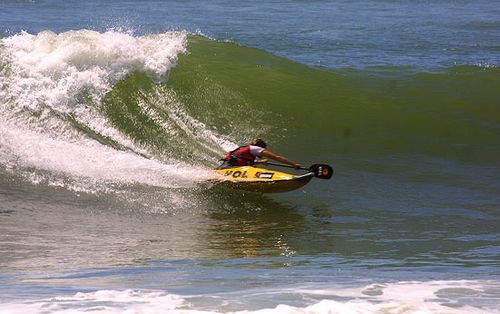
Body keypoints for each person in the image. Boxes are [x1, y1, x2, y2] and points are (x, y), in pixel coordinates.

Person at [218, 138, 302, 169]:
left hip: (225, 167)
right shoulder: (257, 149)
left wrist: (259, 162)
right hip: (232, 168)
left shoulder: (244, 148)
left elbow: (242, 161)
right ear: (261, 147)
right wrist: (294, 164)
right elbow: (277, 157)